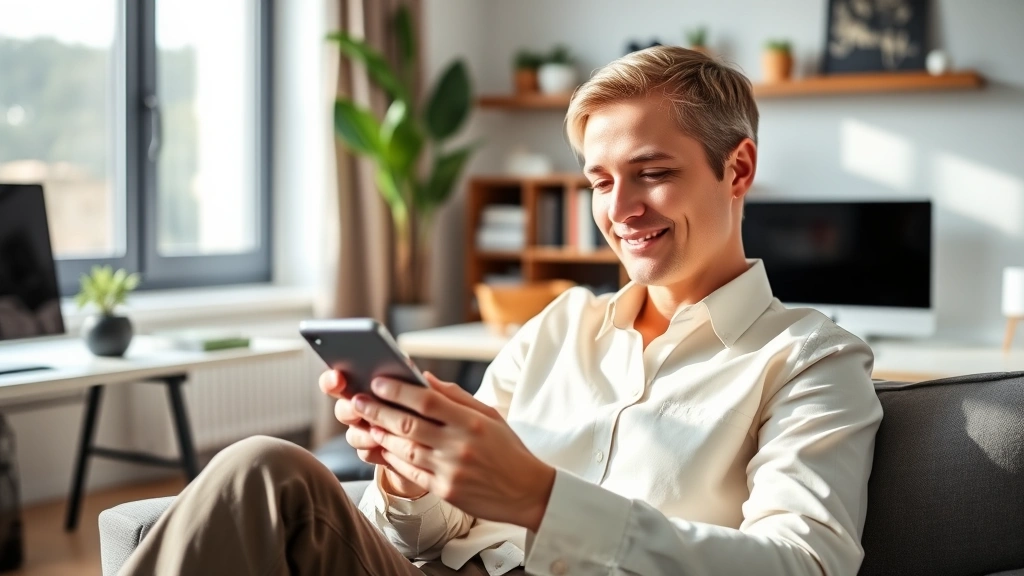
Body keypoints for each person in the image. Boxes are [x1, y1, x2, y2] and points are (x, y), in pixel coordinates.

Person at [121, 46, 882, 576]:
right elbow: (427, 537)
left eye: (652, 173)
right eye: (599, 181)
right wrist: (411, 478)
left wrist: (541, 498)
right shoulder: (559, 328)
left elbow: (803, 565)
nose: (619, 210)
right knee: (266, 468)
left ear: (738, 167)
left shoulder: (810, 359)